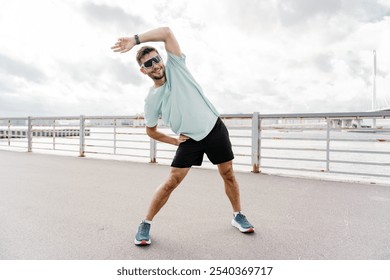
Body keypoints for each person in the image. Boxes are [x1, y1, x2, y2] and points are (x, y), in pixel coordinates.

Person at [111, 27, 254, 246]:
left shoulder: (177, 67)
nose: (155, 65)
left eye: (156, 60)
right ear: (143, 71)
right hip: (189, 139)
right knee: (171, 182)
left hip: (214, 128)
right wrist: (174, 140)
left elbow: (167, 32)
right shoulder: (151, 99)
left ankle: (237, 215)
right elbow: (150, 130)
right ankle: (145, 223)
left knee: (228, 174)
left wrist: (135, 40)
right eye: (148, 64)